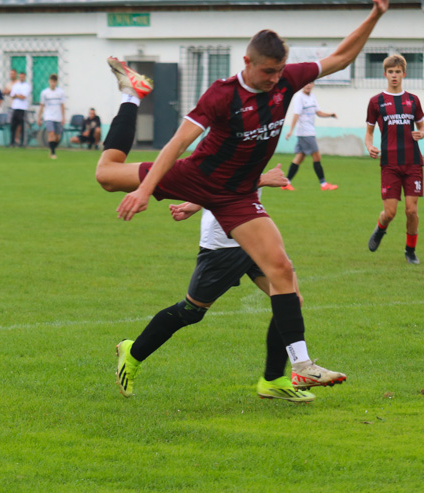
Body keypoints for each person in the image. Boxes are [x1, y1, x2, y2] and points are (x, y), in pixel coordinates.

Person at [96, 1, 390, 399]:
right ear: (247, 61)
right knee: (106, 175)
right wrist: (146, 189)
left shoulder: (286, 80)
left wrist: (375, 15)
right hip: (197, 176)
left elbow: (340, 58)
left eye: (279, 71)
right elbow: (177, 143)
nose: (274, 79)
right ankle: (132, 96)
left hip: (237, 197)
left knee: (282, 269)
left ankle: (298, 367)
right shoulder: (221, 95)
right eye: (267, 71)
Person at [122, 165, 317, 402]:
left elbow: (225, 181)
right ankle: (132, 353)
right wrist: (264, 179)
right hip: (223, 244)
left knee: (290, 300)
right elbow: (224, 182)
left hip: (254, 233)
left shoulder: (257, 136)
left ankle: (273, 380)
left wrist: (195, 204)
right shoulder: (233, 135)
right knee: (191, 311)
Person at [365, 53, 424, 265]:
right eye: (390, 72)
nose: (394, 76)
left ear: (404, 74)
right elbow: (369, 132)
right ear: (385, 74)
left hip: (413, 162)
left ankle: (410, 251)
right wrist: (369, 146)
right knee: (390, 213)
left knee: (411, 209)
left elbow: (422, 125)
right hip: (389, 164)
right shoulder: (376, 102)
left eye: (397, 72)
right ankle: (381, 229)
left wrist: (422, 133)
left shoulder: (413, 100)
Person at [281, 82, 339, 190]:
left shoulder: (312, 96)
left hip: (309, 131)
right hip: (305, 133)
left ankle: (286, 183)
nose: (308, 85)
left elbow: (318, 112)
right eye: (306, 83)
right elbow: (296, 114)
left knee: (300, 157)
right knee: (316, 156)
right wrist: (291, 130)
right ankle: (323, 184)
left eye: (310, 83)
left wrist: (330, 115)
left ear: (313, 84)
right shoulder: (299, 97)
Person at [37, 74, 66, 159]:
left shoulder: (60, 93)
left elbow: (62, 106)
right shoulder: (44, 93)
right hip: (48, 116)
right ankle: (53, 153)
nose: (53, 83)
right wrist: (39, 117)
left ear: (56, 82)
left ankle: (52, 149)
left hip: (58, 117)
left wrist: (63, 117)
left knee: (57, 137)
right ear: (49, 82)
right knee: (51, 134)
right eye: (51, 81)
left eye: (54, 82)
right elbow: (41, 106)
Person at [9, 72, 31, 147]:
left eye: (23, 77)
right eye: (20, 76)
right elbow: (12, 95)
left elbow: (23, 97)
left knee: (22, 126)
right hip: (15, 107)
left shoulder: (27, 86)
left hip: (23, 108)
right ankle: (12, 142)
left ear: (24, 77)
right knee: (13, 126)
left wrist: (16, 95)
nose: (21, 78)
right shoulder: (16, 85)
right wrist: (18, 95)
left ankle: (23, 143)